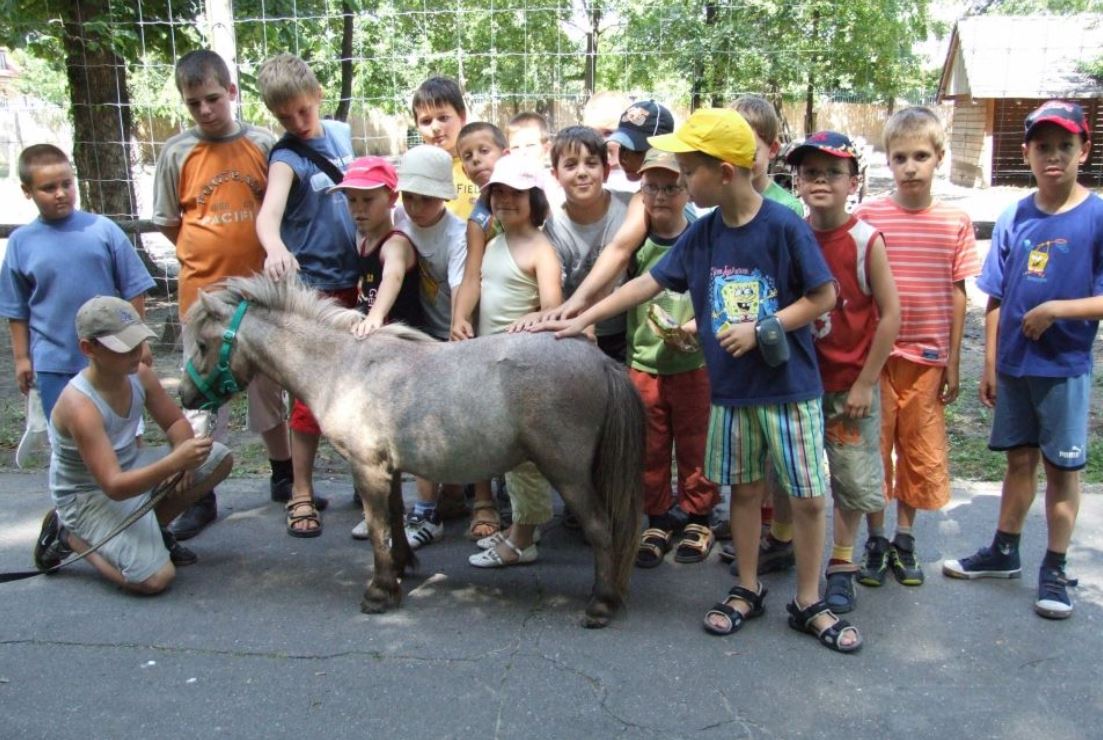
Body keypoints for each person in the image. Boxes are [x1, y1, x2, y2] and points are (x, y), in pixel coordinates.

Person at [543, 109, 860, 652]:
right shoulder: (704, 233)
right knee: (743, 491)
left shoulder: (784, 227)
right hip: (732, 393)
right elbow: (646, 281)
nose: (684, 181)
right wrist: (582, 317)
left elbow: (823, 295)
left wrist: (763, 327)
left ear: (727, 172)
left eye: (691, 170)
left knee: (807, 497)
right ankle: (745, 587)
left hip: (789, 391)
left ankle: (809, 598)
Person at [943, 100, 1103, 620]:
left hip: (1064, 369)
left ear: (1085, 149)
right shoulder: (1016, 214)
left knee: (1061, 470)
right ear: (1027, 153)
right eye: (1043, 147)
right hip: (1014, 367)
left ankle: (1054, 568)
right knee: (1019, 460)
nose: (1053, 156)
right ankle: (1003, 551)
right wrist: (990, 363)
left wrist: (1058, 310)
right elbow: (995, 297)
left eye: (1064, 146)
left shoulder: (1096, 216)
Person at [152, 49, 292, 543]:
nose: (205, 110)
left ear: (232, 92)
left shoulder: (262, 143)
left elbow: (278, 210)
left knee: (268, 392)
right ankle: (198, 494)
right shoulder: (177, 153)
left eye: (213, 98)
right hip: (202, 301)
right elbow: (171, 222)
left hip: (257, 299)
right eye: (194, 103)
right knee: (202, 400)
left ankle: (285, 477)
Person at [852, 107, 979, 589]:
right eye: (900, 157)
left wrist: (952, 362)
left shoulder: (955, 221)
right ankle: (875, 540)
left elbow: (957, 292)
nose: (910, 167)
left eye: (920, 156)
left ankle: (905, 540)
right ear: (888, 160)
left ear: (939, 158)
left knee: (918, 452)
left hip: (926, 363)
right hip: (877, 361)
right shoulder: (869, 216)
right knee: (873, 450)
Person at [32, 296, 232, 592]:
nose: (137, 353)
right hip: (89, 495)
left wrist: (181, 450)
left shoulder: (138, 374)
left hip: (131, 470)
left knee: (218, 458)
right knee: (155, 579)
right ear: (89, 349)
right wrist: (175, 462)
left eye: (139, 342)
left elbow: (176, 423)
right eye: (124, 347)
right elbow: (113, 485)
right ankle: (68, 535)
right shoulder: (80, 406)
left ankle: (150, 533)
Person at [786, 131, 900, 613]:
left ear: (853, 181)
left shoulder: (864, 239)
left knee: (850, 477)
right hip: (800, 382)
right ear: (796, 180)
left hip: (848, 385)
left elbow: (891, 314)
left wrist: (866, 382)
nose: (821, 181)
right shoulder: (792, 233)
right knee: (795, 473)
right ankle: (786, 543)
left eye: (833, 172)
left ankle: (843, 560)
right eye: (811, 172)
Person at [255, 52, 358, 537]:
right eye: (284, 117)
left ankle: (367, 479)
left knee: (362, 386)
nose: (297, 122)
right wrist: (274, 246)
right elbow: (268, 215)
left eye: (303, 110)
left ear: (317, 96)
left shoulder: (340, 134)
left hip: (356, 281)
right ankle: (300, 492)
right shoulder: (285, 157)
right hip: (313, 291)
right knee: (307, 399)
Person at [0, 144, 155, 422]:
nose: (60, 193)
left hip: (111, 357)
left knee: (122, 432)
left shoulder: (103, 230)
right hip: (53, 363)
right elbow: (16, 310)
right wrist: (22, 358)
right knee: (66, 439)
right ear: (27, 191)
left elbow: (135, 290)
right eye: (48, 188)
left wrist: (137, 343)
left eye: (66, 184)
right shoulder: (21, 243)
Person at [621, 149, 719, 569]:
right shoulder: (635, 242)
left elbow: (719, 291)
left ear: (687, 191)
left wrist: (696, 328)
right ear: (641, 191)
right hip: (644, 363)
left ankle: (698, 515)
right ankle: (658, 516)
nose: (661, 196)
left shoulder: (702, 236)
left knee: (697, 442)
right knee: (650, 445)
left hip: (694, 365)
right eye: (652, 187)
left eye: (671, 187)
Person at [465, 155, 562, 567]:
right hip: (491, 362)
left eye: (515, 193)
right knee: (506, 453)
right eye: (498, 193)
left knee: (524, 458)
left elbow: (554, 309)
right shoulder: (493, 243)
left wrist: (530, 319)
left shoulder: (542, 249)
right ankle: (519, 527)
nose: (505, 201)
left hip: (524, 368)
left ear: (535, 198)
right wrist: (460, 322)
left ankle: (524, 538)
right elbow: (476, 287)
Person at [333, 156, 423, 539]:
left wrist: (376, 315)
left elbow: (393, 275)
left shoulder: (395, 243)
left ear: (391, 198)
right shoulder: (362, 238)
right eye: (351, 200)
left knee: (405, 434)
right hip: (378, 351)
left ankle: (414, 509)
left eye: (367, 200)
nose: (358, 209)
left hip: (403, 352)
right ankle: (381, 506)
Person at [392, 144, 470, 549]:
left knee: (447, 420)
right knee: (421, 420)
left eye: (425, 197)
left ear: (443, 194)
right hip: (410, 335)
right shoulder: (398, 220)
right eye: (409, 195)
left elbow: (460, 285)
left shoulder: (457, 233)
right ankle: (425, 507)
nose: (416, 205)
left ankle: (446, 499)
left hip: (446, 335)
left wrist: (456, 336)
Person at [449, 122, 510, 541]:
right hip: (490, 324)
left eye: (483, 151)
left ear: (503, 151)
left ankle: (530, 507)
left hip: (527, 320)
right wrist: (460, 317)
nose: (476, 162)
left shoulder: (532, 198)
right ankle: (485, 499)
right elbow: (472, 274)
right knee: (484, 413)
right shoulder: (480, 215)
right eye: (467, 156)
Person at [539, 125, 636, 363]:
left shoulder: (630, 207)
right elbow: (554, 295)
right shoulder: (553, 230)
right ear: (556, 176)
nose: (582, 172)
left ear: (605, 171)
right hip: (577, 333)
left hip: (628, 332)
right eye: (571, 165)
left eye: (591, 163)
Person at [411, 76, 478, 220]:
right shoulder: (414, 173)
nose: (435, 128)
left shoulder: (483, 164)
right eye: (426, 121)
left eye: (443, 118)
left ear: (462, 116)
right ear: (417, 126)